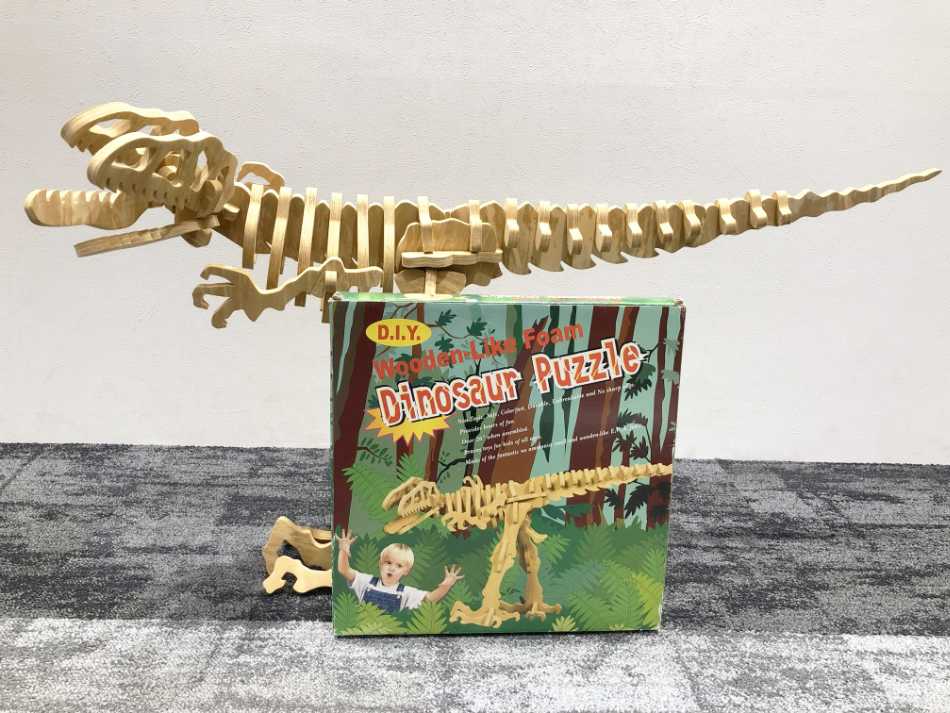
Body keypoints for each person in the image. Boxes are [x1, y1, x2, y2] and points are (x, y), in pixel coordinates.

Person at [336, 529, 464, 613]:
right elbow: (343, 570)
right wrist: (343, 551)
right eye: (388, 562)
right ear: (380, 564)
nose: (392, 568)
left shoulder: (406, 593)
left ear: (406, 571)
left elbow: (430, 599)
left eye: (399, 566)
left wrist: (446, 585)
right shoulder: (366, 582)